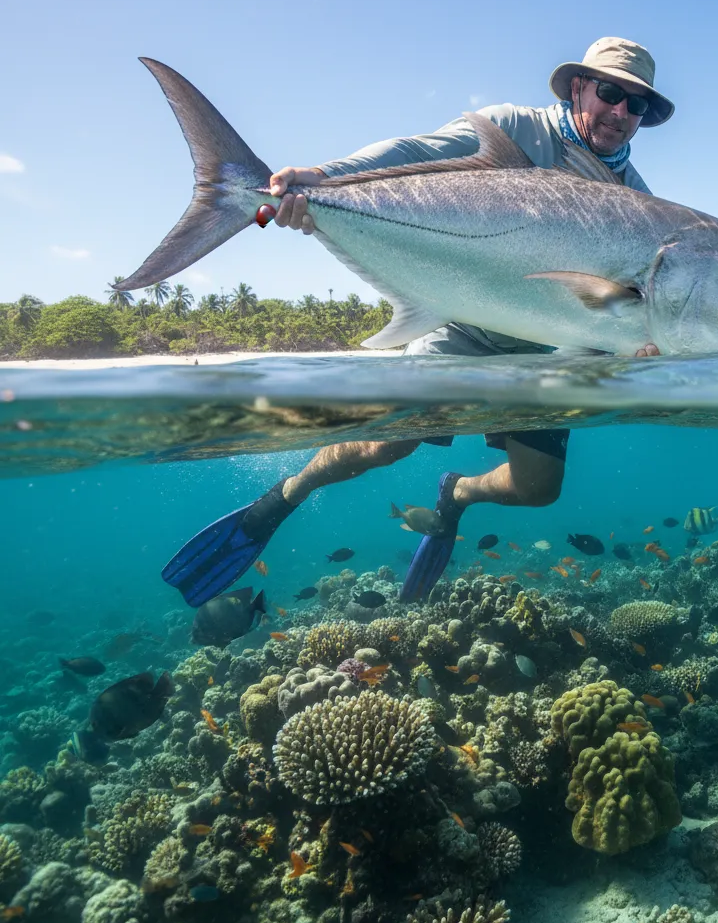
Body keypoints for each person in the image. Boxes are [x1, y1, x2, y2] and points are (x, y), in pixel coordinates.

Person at [162, 37, 676, 609]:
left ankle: (456, 492)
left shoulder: (641, 206)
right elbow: (410, 152)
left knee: (538, 489)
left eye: (638, 107)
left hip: (548, 351)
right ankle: (286, 495)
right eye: (610, 93)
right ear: (578, 86)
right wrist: (318, 179)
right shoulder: (513, 127)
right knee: (385, 445)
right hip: (458, 319)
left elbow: (625, 320)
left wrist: (643, 346)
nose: (620, 114)